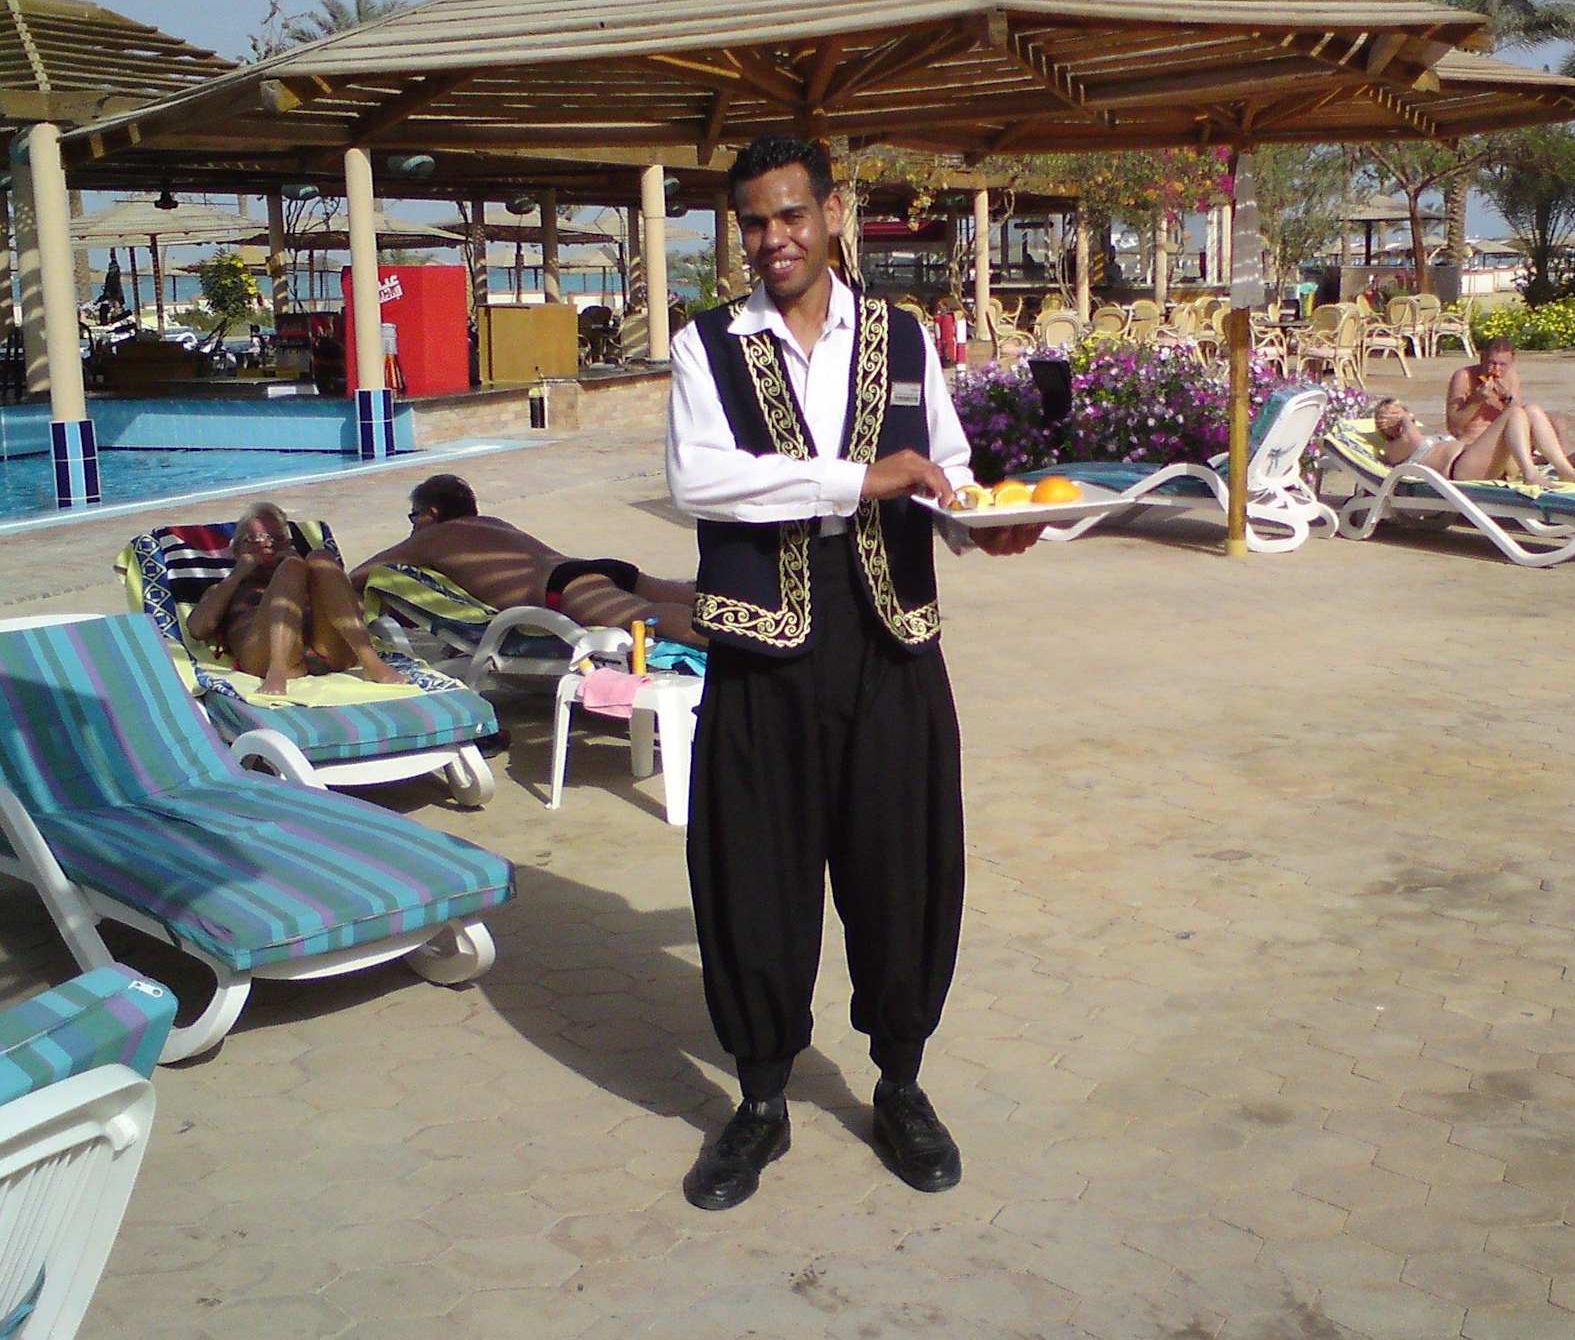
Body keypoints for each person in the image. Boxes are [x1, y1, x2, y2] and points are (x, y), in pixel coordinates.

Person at [666, 135, 1039, 1211]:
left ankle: (901, 1086)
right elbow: (701, 480)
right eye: (753, 222)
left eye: (791, 215)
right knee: (755, 876)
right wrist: (853, 481)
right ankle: (760, 1100)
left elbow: (943, 468)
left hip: (891, 638)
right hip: (762, 648)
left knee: (902, 868)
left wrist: (978, 526)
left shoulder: (903, 336)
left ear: (833, 213)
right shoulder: (707, 345)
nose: (773, 239)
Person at [347, 474, 703, 646]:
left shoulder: (431, 537)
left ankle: (732, 645)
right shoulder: (494, 524)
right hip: (593, 568)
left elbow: (360, 575)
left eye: (414, 515)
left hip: (562, 588)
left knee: (651, 617)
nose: (412, 524)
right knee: (702, 598)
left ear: (432, 513)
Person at [186, 501, 404, 696]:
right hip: (263, 658)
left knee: (320, 556)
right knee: (291, 567)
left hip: (329, 654)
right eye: (255, 539)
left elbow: (357, 609)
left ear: (289, 544)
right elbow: (197, 629)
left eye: (278, 539)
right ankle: (277, 671)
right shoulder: (225, 589)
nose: (267, 545)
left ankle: (370, 661)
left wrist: (298, 567)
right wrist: (238, 574)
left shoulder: (312, 577)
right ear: (236, 549)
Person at [1444, 336, 1575, 484]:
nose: (1496, 369)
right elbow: (1455, 427)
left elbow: (1519, 421)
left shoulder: (1510, 377)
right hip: (1474, 452)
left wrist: (1506, 398)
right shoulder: (1464, 376)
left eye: (1502, 364)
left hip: (1506, 454)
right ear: (1482, 358)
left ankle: (1565, 470)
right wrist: (1475, 401)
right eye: (1492, 363)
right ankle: (1535, 468)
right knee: (1516, 412)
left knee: (1533, 410)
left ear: (1511, 362)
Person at [1373, 398, 1461, 475]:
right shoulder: (1391, 447)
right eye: (1387, 418)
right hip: (1454, 465)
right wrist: (1404, 417)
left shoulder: (1427, 435)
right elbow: (1412, 439)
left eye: (1395, 413)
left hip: (1462, 453)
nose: (1395, 419)